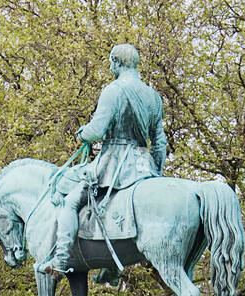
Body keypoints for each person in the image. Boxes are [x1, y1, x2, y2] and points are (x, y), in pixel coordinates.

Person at [37, 43, 168, 278]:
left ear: (116, 63)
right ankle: (111, 266)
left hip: (114, 163)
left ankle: (61, 259)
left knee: (70, 199)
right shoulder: (154, 97)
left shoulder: (114, 90)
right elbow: (159, 143)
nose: (110, 66)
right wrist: (157, 172)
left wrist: (82, 133)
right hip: (144, 165)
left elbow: (97, 130)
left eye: (111, 62)